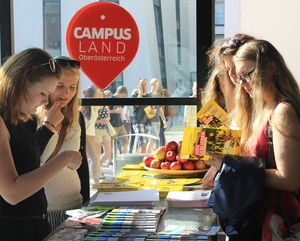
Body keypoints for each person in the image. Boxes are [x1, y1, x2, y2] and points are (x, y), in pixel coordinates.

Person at [207, 39, 300, 239]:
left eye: (247, 75)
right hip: (260, 217)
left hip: (276, 223)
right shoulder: (263, 108)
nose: (243, 84)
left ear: (271, 67)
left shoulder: (282, 111)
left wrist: (231, 167)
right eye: (239, 78)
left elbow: (289, 180)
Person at [0, 48, 82, 241]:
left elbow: (30, 166)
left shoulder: (24, 119)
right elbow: (12, 192)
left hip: (37, 223)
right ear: (23, 80)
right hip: (12, 229)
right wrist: (64, 158)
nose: (46, 100)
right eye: (43, 92)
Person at [36, 56, 90, 231]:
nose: (66, 93)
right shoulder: (30, 117)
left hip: (75, 206)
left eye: (72, 87)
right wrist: (48, 125)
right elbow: (30, 162)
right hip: (44, 210)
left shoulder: (77, 117)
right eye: (60, 86)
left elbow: (82, 164)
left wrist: (87, 203)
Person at [81, 85, 101, 185]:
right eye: (97, 93)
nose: (99, 94)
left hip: (91, 132)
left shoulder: (96, 104)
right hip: (86, 133)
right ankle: (96, 181)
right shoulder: (86, 104)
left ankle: (88, 178)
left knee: (88, 157)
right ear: (93, 94)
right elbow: (79, 115)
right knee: (94, 157)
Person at [147, 78, 168, 153]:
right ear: (150, 85)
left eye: (156, 85)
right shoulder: (148, 95)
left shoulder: (159, 95)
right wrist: (151, 111)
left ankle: (155, 155)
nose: (155, 86)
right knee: (152, 140)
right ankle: (148, 156)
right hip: (151, 121)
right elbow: (146, 109)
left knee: (156, 140)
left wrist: (164, 120)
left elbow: (160, 109)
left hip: (158, 121)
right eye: (153, 84)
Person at [94, 90, 112, 176]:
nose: (100, 95)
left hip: (105, 129)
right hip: (96, 130)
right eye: (99, 94)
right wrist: (100, 121)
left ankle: (97, 167)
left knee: (108, 152)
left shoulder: (105, 104)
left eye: (102, 94)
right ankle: (98, 172)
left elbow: (108, 116)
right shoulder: (94, 105)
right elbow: (91, 120)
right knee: (97, 154)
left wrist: (107, 119)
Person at [132, 78, 151, 153]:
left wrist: (152, 112)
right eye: (141, 84)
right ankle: (142, 163)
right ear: (138, 85)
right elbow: (137, 104)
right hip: (138, 122)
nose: (143, 86)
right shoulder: (134, 96)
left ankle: (136, 161)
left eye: (145, 84)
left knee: (140, 145)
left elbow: (150, 109)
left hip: (146, 123)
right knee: (143, 145)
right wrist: (140, 93)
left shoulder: (148, 96)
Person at [109, 86, 129, 154]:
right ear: (119, 92)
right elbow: (107, 111)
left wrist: (122, 121)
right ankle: (112, 160)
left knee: (125, 142)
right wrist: (115, 111)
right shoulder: (111, 99)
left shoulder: (122, 100)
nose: (123, 97)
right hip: (112, 125)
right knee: (113, 145)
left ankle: (123, 157)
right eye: (123, 95)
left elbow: (121, 111)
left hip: (120, 124)